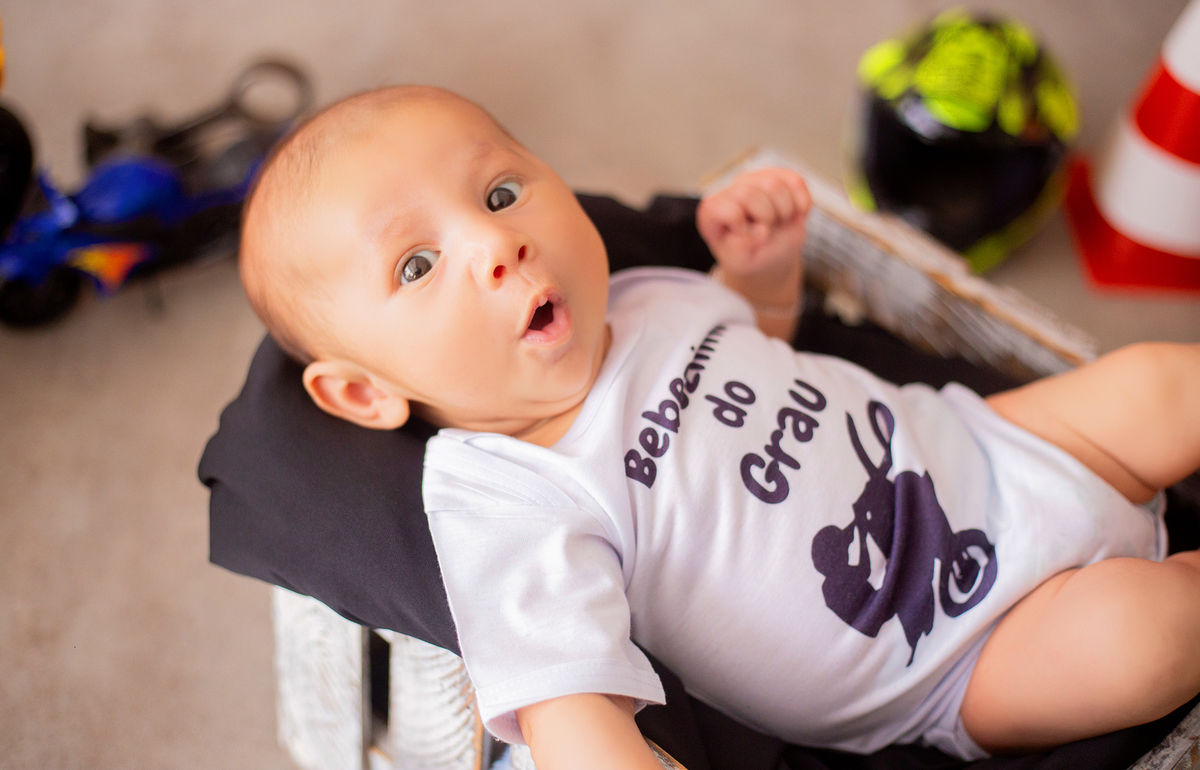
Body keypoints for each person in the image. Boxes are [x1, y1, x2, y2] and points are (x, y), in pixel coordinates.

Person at [238, 85, 1200, 770]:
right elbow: (566, 702)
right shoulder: (504, 494)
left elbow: (764, 339)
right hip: (949, 658)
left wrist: (762, 273)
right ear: (366, 395)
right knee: (1147, 636)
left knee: (1161, 384)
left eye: (499, 193)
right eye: (416, 266)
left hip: (991, 447)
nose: (497, 243)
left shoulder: (643, 296)